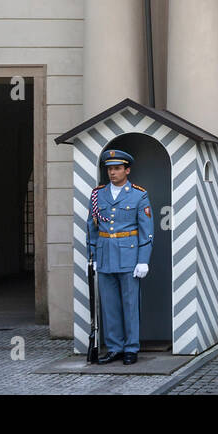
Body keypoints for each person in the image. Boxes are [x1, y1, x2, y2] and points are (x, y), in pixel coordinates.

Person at [87, 148, 154, 365]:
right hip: (106, 255)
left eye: (117, 169)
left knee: (130, 304)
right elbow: (92, 228)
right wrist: (93, 255)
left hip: (129, 255)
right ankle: (115, 347)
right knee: (110, 305)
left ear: (127, 170)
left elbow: (147, 230)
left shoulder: (138, 194)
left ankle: (131, 348)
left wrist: (143, 259)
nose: (112, 173)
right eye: (109, 169)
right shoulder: (98, 194)